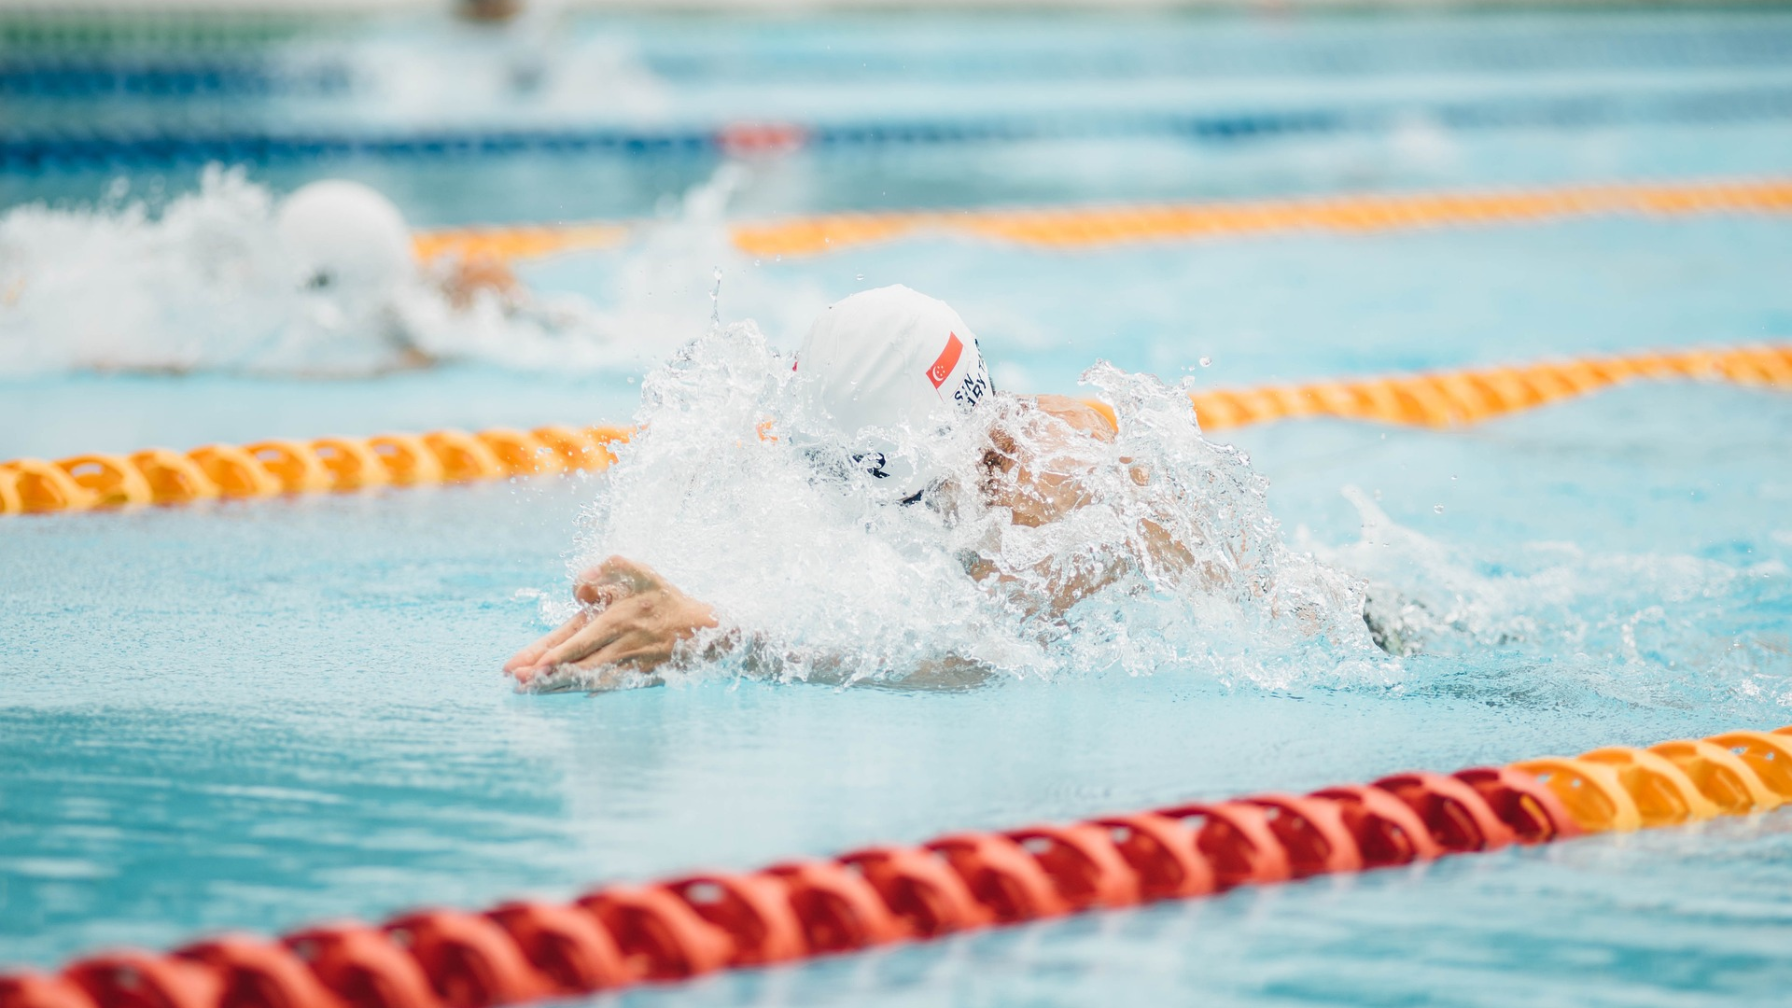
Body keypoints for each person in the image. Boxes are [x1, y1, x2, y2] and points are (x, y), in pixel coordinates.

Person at [504, 285, 1199, 691]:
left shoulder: (1056, 477)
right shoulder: (919, 440)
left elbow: (965, 662)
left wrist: (715, 637)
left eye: (890, 492)